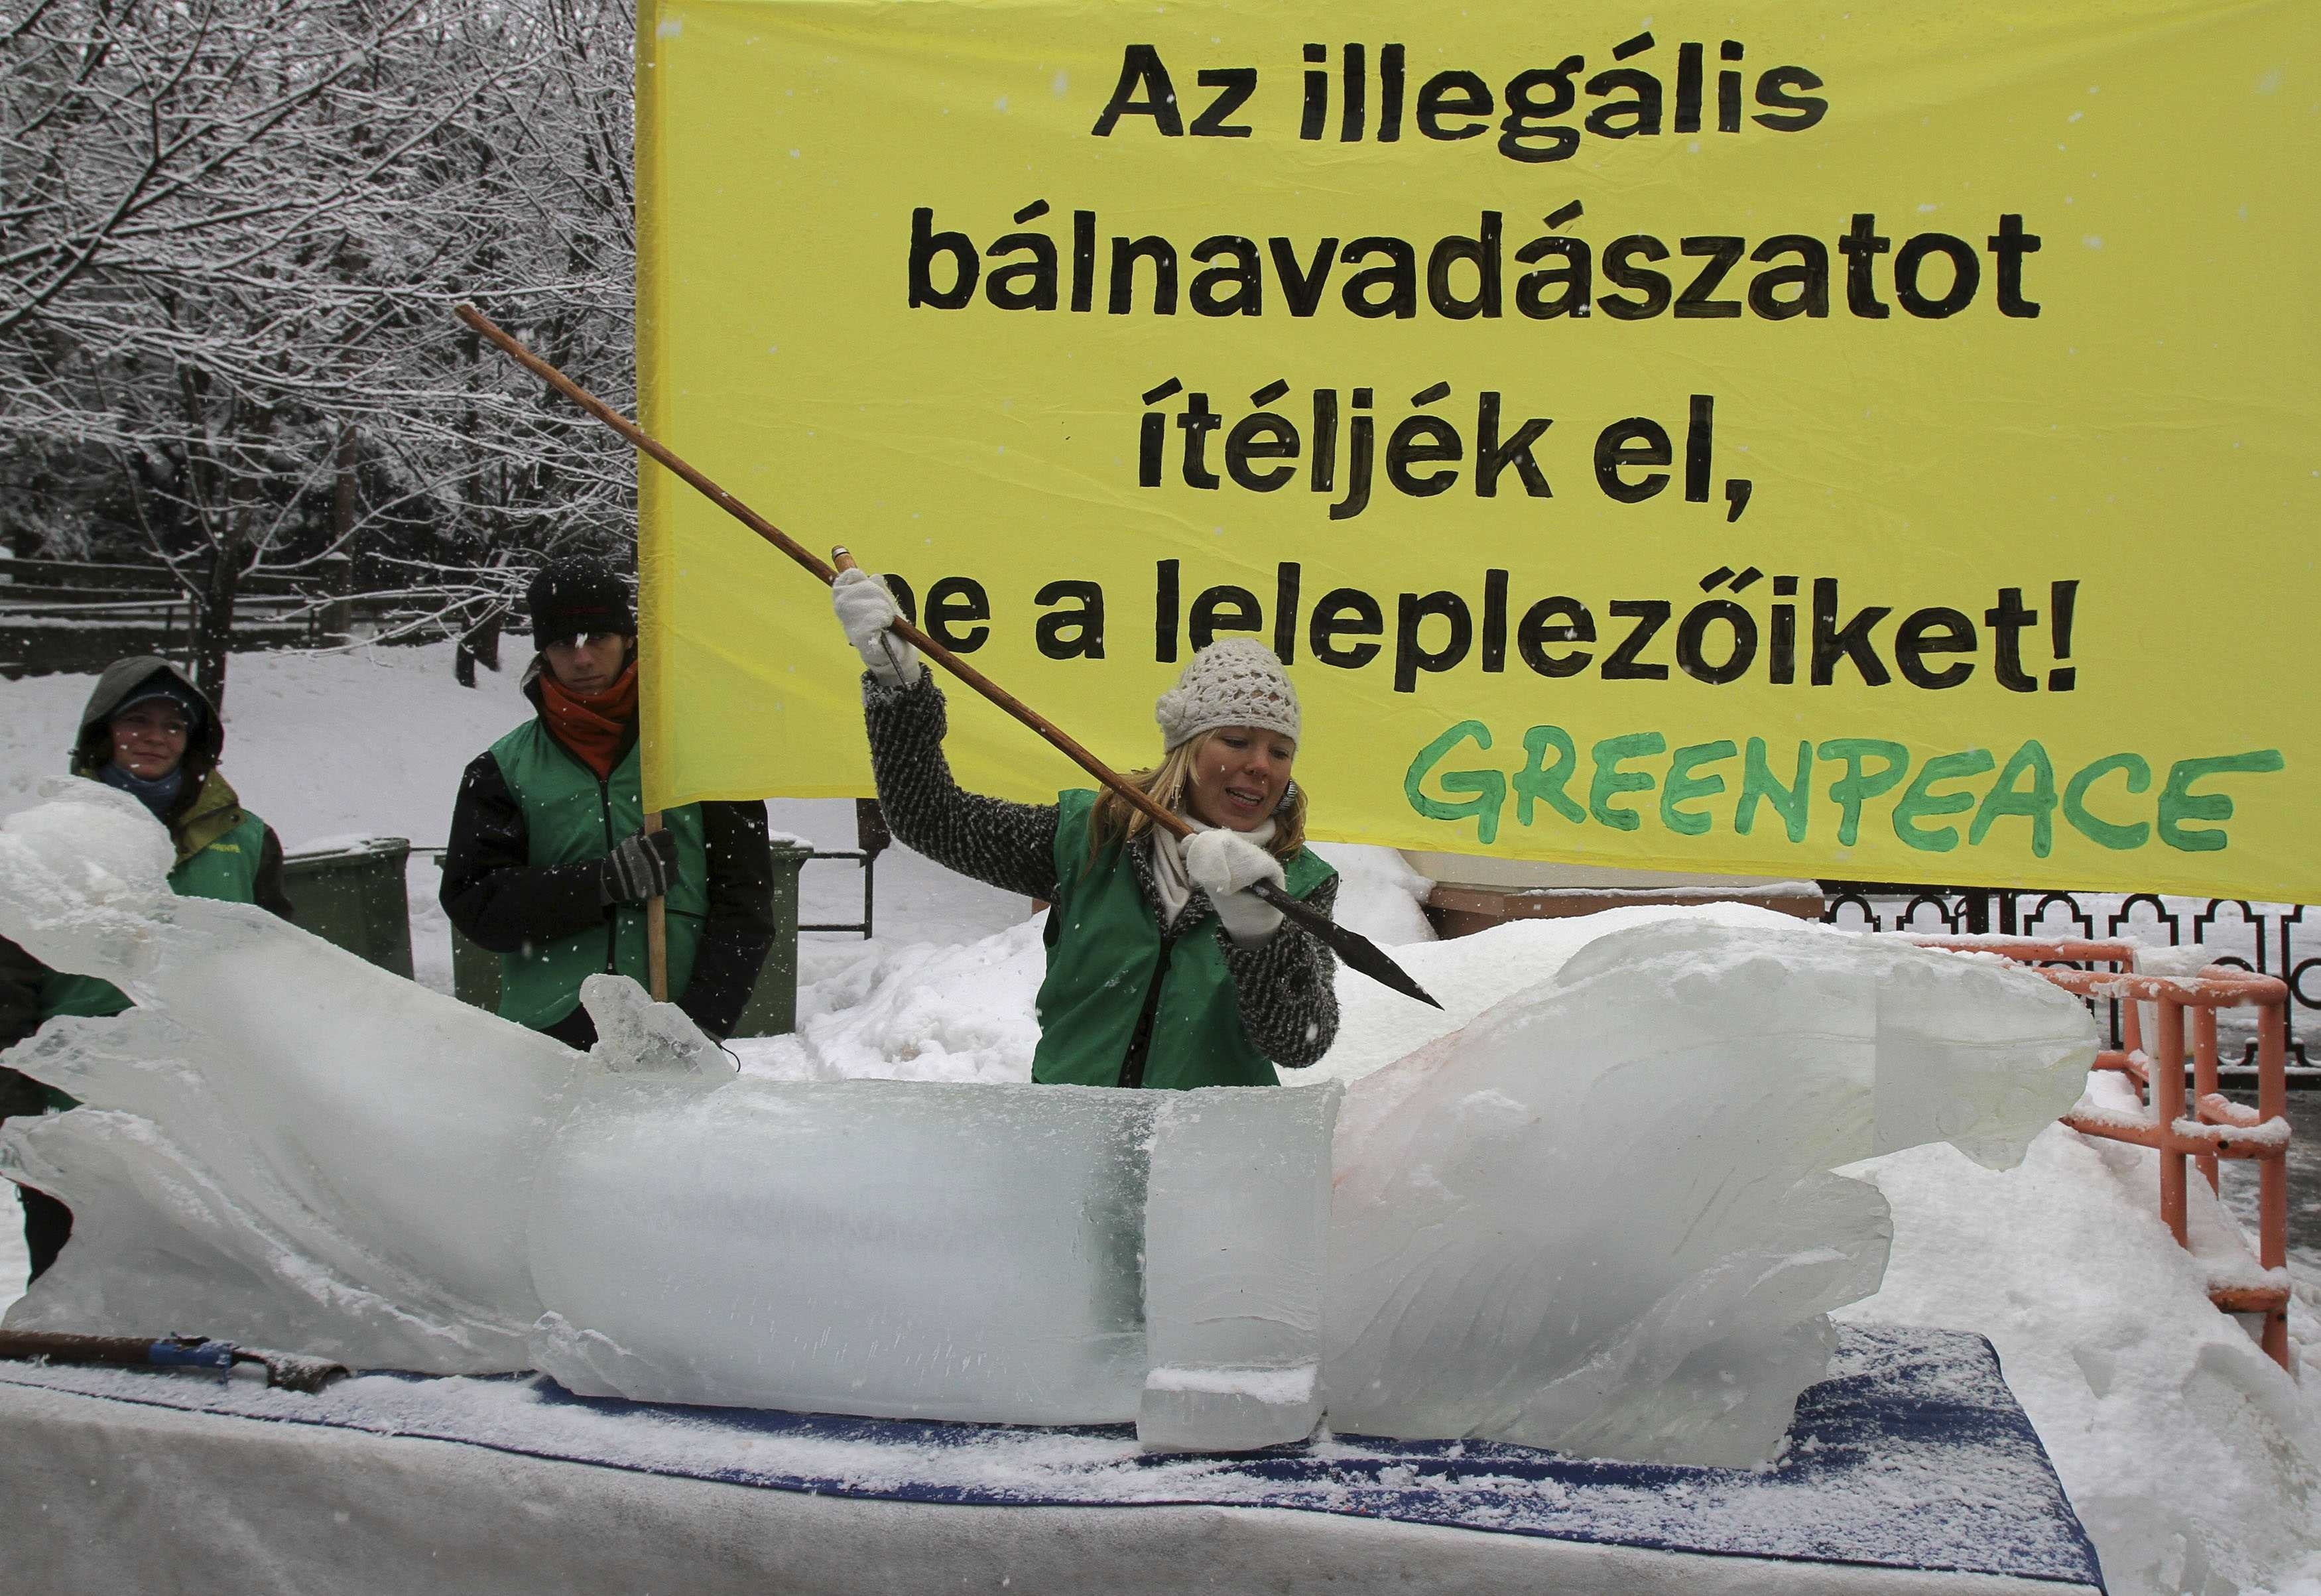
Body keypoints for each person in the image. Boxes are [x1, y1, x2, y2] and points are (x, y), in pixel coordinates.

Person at [832, 568, 1340, 1088]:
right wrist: (899, 688)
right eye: (1236, 740)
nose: (1262, 765)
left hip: (1204, 1157)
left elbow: (1301, 1042)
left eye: (1280, 751)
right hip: (1070, 1141)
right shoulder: (1094, 835)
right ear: (1187, 750)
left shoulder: (1299, 883)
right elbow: (931, 818)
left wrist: (1261, 933)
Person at [0, 656, 294, 1280]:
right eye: (136, 720)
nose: (154, 736)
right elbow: (9, 984)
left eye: (172, 724)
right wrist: (19, 1104)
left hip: (204, 1094)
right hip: (77, 1095)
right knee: (79, 1277)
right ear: (104, 732)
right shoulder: (44, 841)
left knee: (204, 1275)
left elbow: (279, 967)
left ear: (194, 741)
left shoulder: (246, 840)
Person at [441, 558, 776, 1049]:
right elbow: (477, 905)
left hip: (676, 1029)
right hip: (546, 1041)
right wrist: (597, 884)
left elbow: (745, 900)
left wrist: (702, 1021)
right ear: (542, 654)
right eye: (562, 643)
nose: (582, 660)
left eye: (597, 637)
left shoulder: (701, 753)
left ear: (628, 639)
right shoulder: (501, 770)